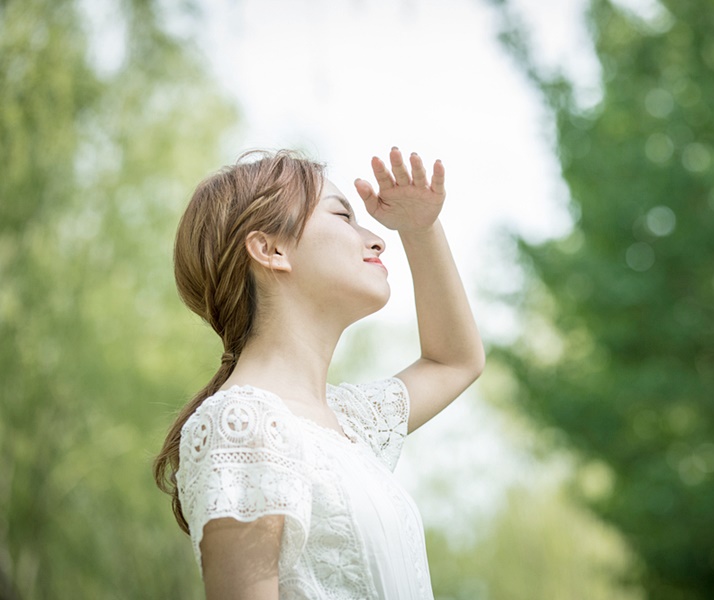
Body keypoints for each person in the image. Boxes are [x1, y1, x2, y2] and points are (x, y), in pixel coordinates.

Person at [153, 147, 484, 600]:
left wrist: (420, 230)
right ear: (270, 249)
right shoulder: (241, 426)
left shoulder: (351, 423)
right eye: (343, 215)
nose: (376, 239)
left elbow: (456, 361)